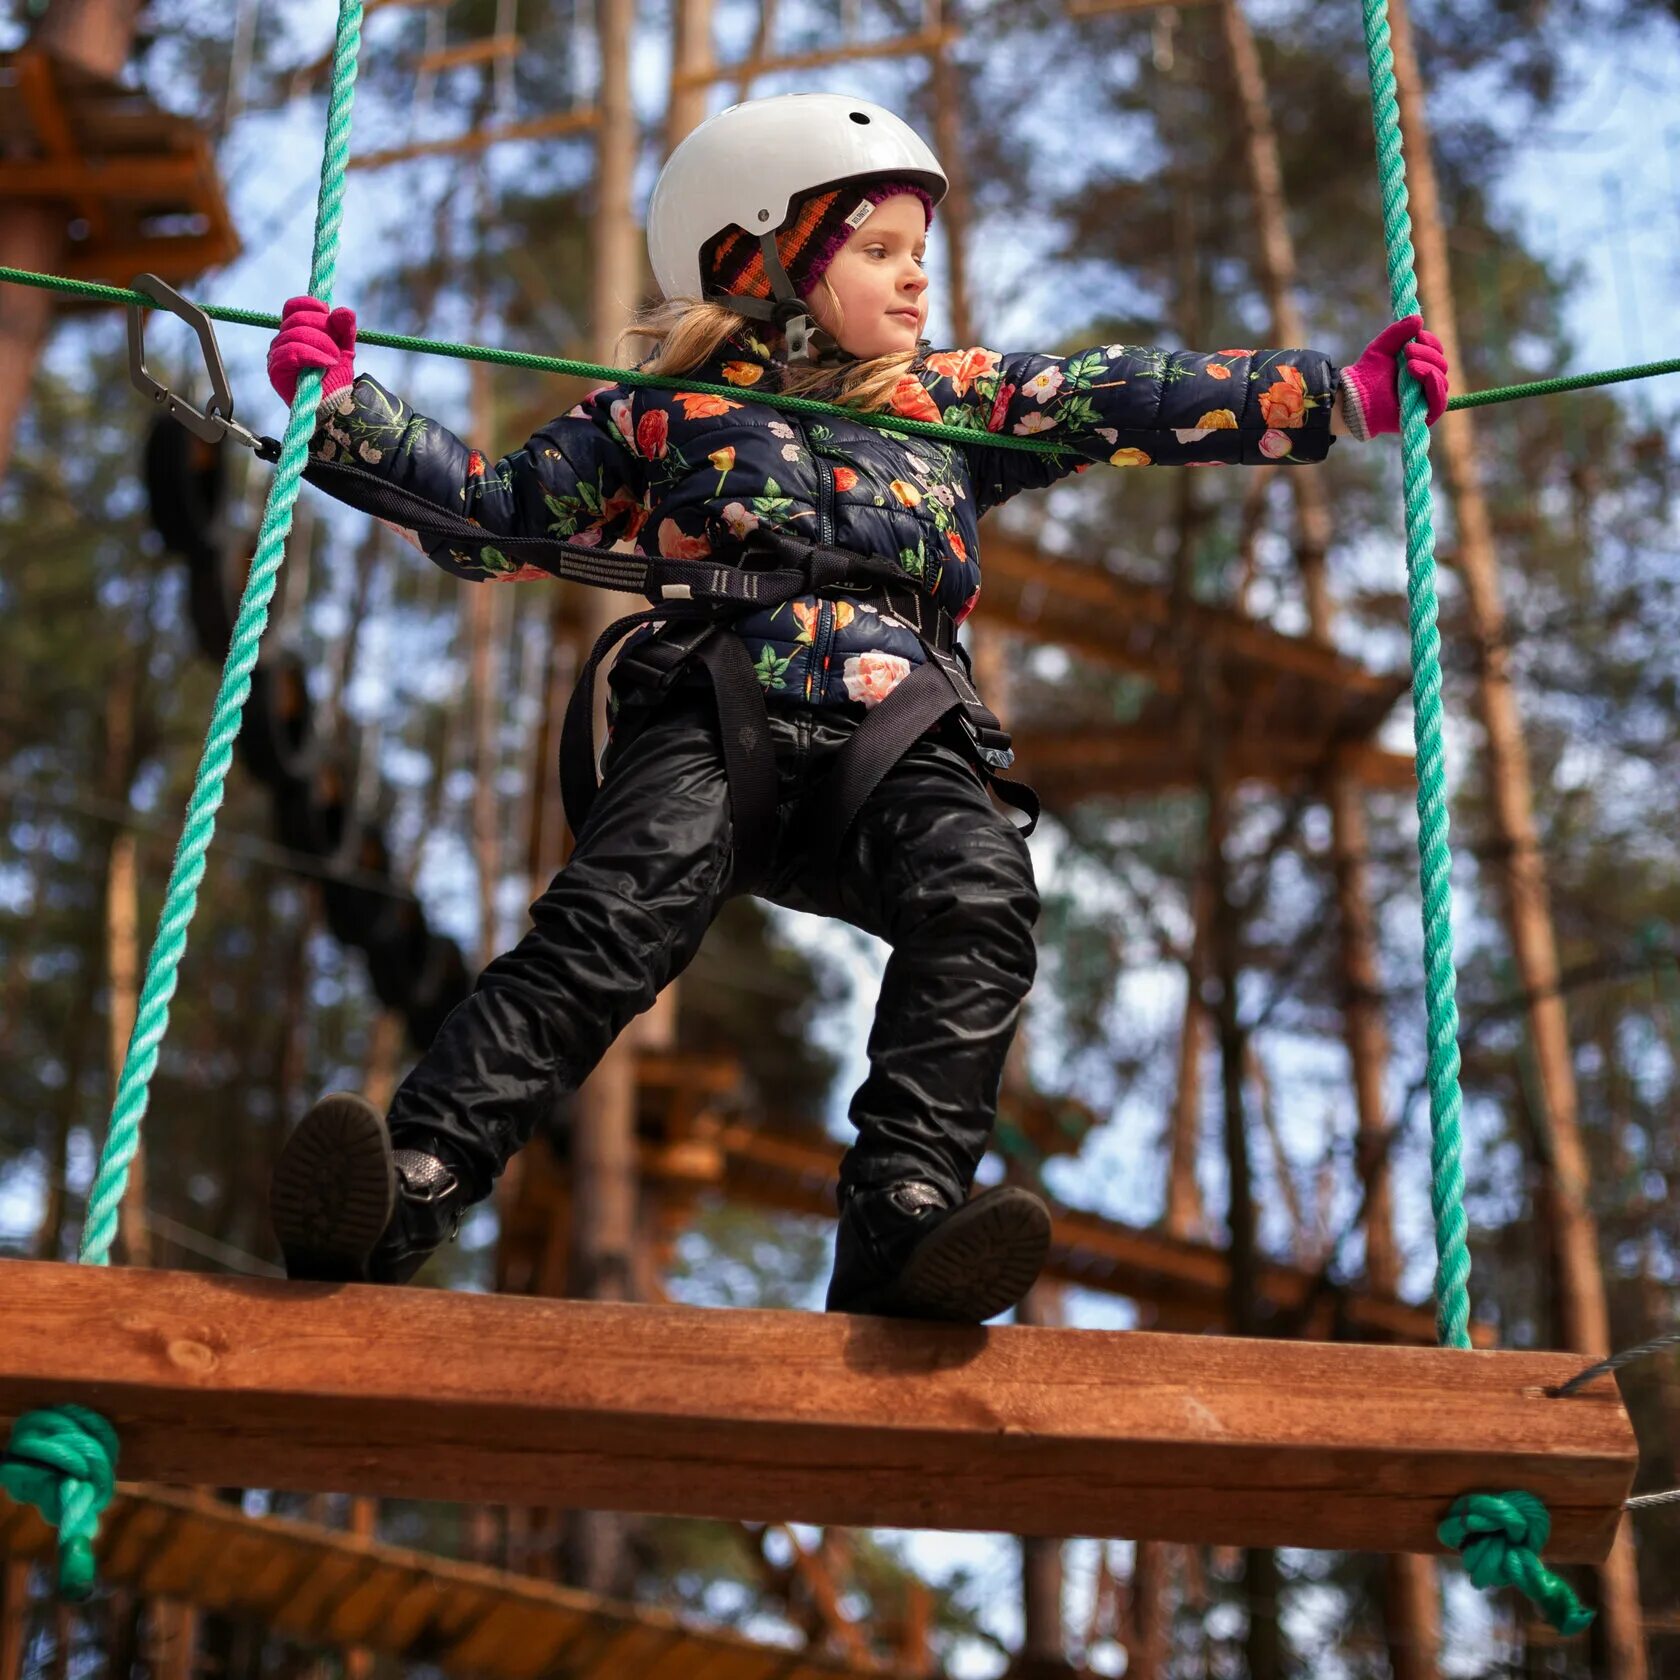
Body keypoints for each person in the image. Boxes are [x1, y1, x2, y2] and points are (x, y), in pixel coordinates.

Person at [265, 92, 1448, 1323]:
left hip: (900, 725)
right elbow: (496, 520)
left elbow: (1120, 393)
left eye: (919, 256)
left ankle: (903, 1218)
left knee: (981, 897)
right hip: (719, 706)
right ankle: (413, 1182)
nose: (915, 281)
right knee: (611, 922)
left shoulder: (950, 405)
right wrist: (350, 416)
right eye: (878, 251)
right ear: (755, 258)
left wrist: (1331, 396)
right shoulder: (658, 417)